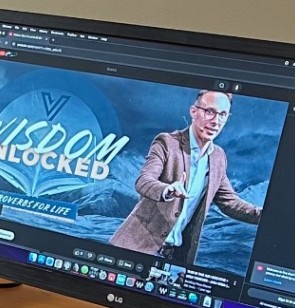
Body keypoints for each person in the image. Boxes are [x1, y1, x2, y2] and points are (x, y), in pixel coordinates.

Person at [109, 90, 262, 266]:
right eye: (209, 111)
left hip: (175, 258)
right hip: (135, 250)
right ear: (193, 111)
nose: (216, 121)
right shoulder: (167, 142)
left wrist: (264, 216)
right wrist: (167, 190)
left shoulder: (218, 157)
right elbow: (144, 180)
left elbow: (230, 203)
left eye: (222, 114)